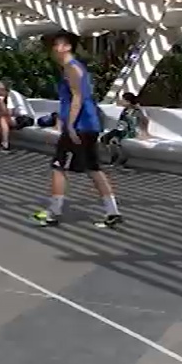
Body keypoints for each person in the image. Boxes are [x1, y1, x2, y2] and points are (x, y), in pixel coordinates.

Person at [33, 31, 123, 228]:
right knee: (93, 169)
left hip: (80, 126)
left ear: (67, 47)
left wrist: (70, 125)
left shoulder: (71, 68)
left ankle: (53, 212)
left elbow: (77, 98)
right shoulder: (74, 67)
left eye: (58, 45)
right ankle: (112, 211)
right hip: (88, 125)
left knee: (58, 166)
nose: (54, 49)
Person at [101, 92, 151, 166]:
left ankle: (121, 157)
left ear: (128, 102)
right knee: (104, 138)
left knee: (114, 140)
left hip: (130, 130)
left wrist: (144, 132)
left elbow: (144, 121)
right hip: (121, 129)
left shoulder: (136, 111)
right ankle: (114, 155)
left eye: (123, 100)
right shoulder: (126, 110)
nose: (122, 101)